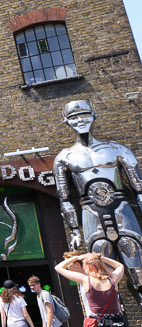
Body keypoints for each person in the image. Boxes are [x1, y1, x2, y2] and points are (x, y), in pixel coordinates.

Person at [54, 100, 142, 308]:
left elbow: (138, 187)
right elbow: (64, 197)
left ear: (94, 115)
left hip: (121, 206)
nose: (80, 120)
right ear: (66, 121)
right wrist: (74, 229)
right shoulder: (64, 157)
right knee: (99, 263)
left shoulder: (118, 149)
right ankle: (113, 311)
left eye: (84, 114)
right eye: (74, 117)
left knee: (135, 256)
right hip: (89, 210)